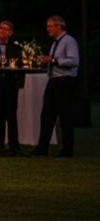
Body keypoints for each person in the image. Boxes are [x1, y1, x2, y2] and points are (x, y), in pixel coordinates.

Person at [35, 16, 80, 157]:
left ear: (58, 26)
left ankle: (67, 150)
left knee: (65, 116)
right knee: (47, 115)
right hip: (54, 79)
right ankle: (42, 149)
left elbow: (74, 61)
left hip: (65, 81)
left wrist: (53, 60)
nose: (47, 28)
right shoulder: (56, 42)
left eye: (50, 26)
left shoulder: (69, 41)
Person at [0, 21, 22, 154]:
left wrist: (18, 84)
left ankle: (14, 144)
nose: (1, 30)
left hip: (10, 85)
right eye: (0, 28)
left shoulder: (15, 48)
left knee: (11, 115)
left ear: (10, 33)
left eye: (5, 29)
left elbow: (21, 66)